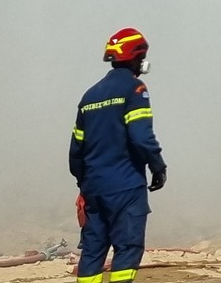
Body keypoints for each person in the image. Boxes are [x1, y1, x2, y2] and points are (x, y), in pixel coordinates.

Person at [68, 27, 168, 283]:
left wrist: (85, 185)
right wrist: (158, 166)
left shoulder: (89, 96)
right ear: (136, 57)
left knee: (92, 251)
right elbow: (141, 137)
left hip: (94, 189)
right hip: (125, 187)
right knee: (127, 248)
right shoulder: (135, 90)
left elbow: (76, 151)